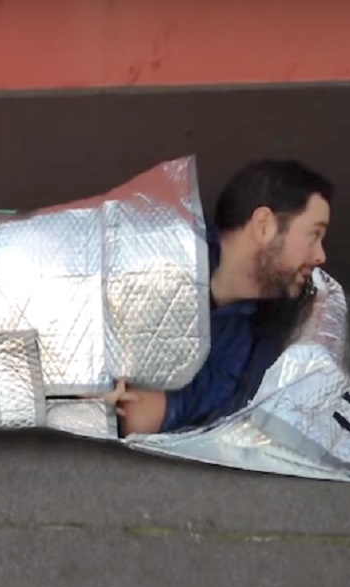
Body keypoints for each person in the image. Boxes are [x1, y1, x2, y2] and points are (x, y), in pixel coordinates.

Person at [113, 159, 332, 435]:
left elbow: (148, 415)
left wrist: (161, 407)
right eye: (313, 235)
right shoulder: (157, 250)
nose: (320, 256)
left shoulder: (246, 342)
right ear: (264, 226)